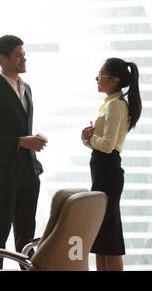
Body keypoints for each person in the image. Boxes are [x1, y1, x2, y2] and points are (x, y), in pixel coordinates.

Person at [0, 35, 47, 270]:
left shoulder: (26, 88)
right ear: (2, 59)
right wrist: (22, 141)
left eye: (23, 54)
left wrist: (31, 141)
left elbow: (20, 128)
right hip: (3, 172)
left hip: (28, 170)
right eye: (18, 55)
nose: (24, 58)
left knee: (27, 233)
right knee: (1, 229)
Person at [81, 58, 142, 271]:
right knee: (101, 236)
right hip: (103, 171)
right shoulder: (111, 103)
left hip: (108, 172)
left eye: (101, 75)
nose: (97, 79)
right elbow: (105, 144)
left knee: (110, 237)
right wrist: (87, 140)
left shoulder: (116, 106)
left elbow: (107, 146)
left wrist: (89, 140)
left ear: (114, 81)